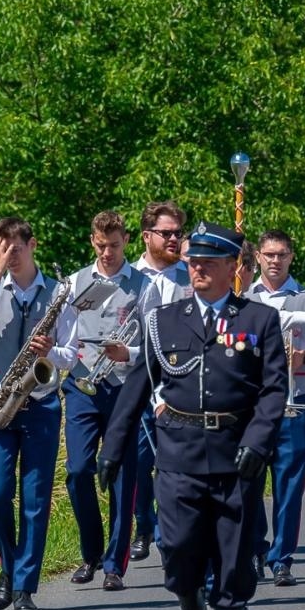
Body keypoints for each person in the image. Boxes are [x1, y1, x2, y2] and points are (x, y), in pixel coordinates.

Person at [99, 223, 287, 610]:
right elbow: (139, 385)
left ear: (234, 267)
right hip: (179, 451)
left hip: (234, 452)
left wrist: (258, 442)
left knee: (235, 552)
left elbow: (274, 389)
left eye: (209, 261)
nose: (197, 268)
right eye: (193, 260)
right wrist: (113, 448)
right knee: (179, 546)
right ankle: (190, 608)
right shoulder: (164, 320)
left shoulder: (258, 320)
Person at [0, 217, 75, 610]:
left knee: (35, 498)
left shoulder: (59, 294)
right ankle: (8, 571)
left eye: (14, 248)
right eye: (1, 248)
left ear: (32, 245)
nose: (8, 256)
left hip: (42, 402)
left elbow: (71, 354)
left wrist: (50, 352)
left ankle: (25, 586)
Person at [60, 211, 152, 591]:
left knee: (122, 477)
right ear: (91, 241)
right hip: (82, 384)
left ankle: (115, 564)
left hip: (124, 389)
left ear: (126, 241)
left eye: (114, 245)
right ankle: (91, 553)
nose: (108, 252)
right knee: (78, 471)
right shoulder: (74, 283)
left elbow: (151, 341)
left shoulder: (143, 284)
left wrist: (126, 353)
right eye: (101, 246)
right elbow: (62, 336)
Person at [245, 230, 305, 587]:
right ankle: (255, 548)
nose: (275, 261)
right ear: (257, 257)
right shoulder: (244, 296)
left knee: (289, 485)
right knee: (250, 483)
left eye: (282, 254)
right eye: (268, 254)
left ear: (291, 257)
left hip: (294, 400)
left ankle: (282, 557)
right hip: (253, 404)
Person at [127, 201, 192, 561]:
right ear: (146, 236)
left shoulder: (189, 276)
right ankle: (143, 525)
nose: (173, 239)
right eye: (166, 233)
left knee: (174, 466)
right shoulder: (130, 277)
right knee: (138, 461)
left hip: (176, 385)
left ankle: (171, 534)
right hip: (138, 383)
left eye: (177, 234)